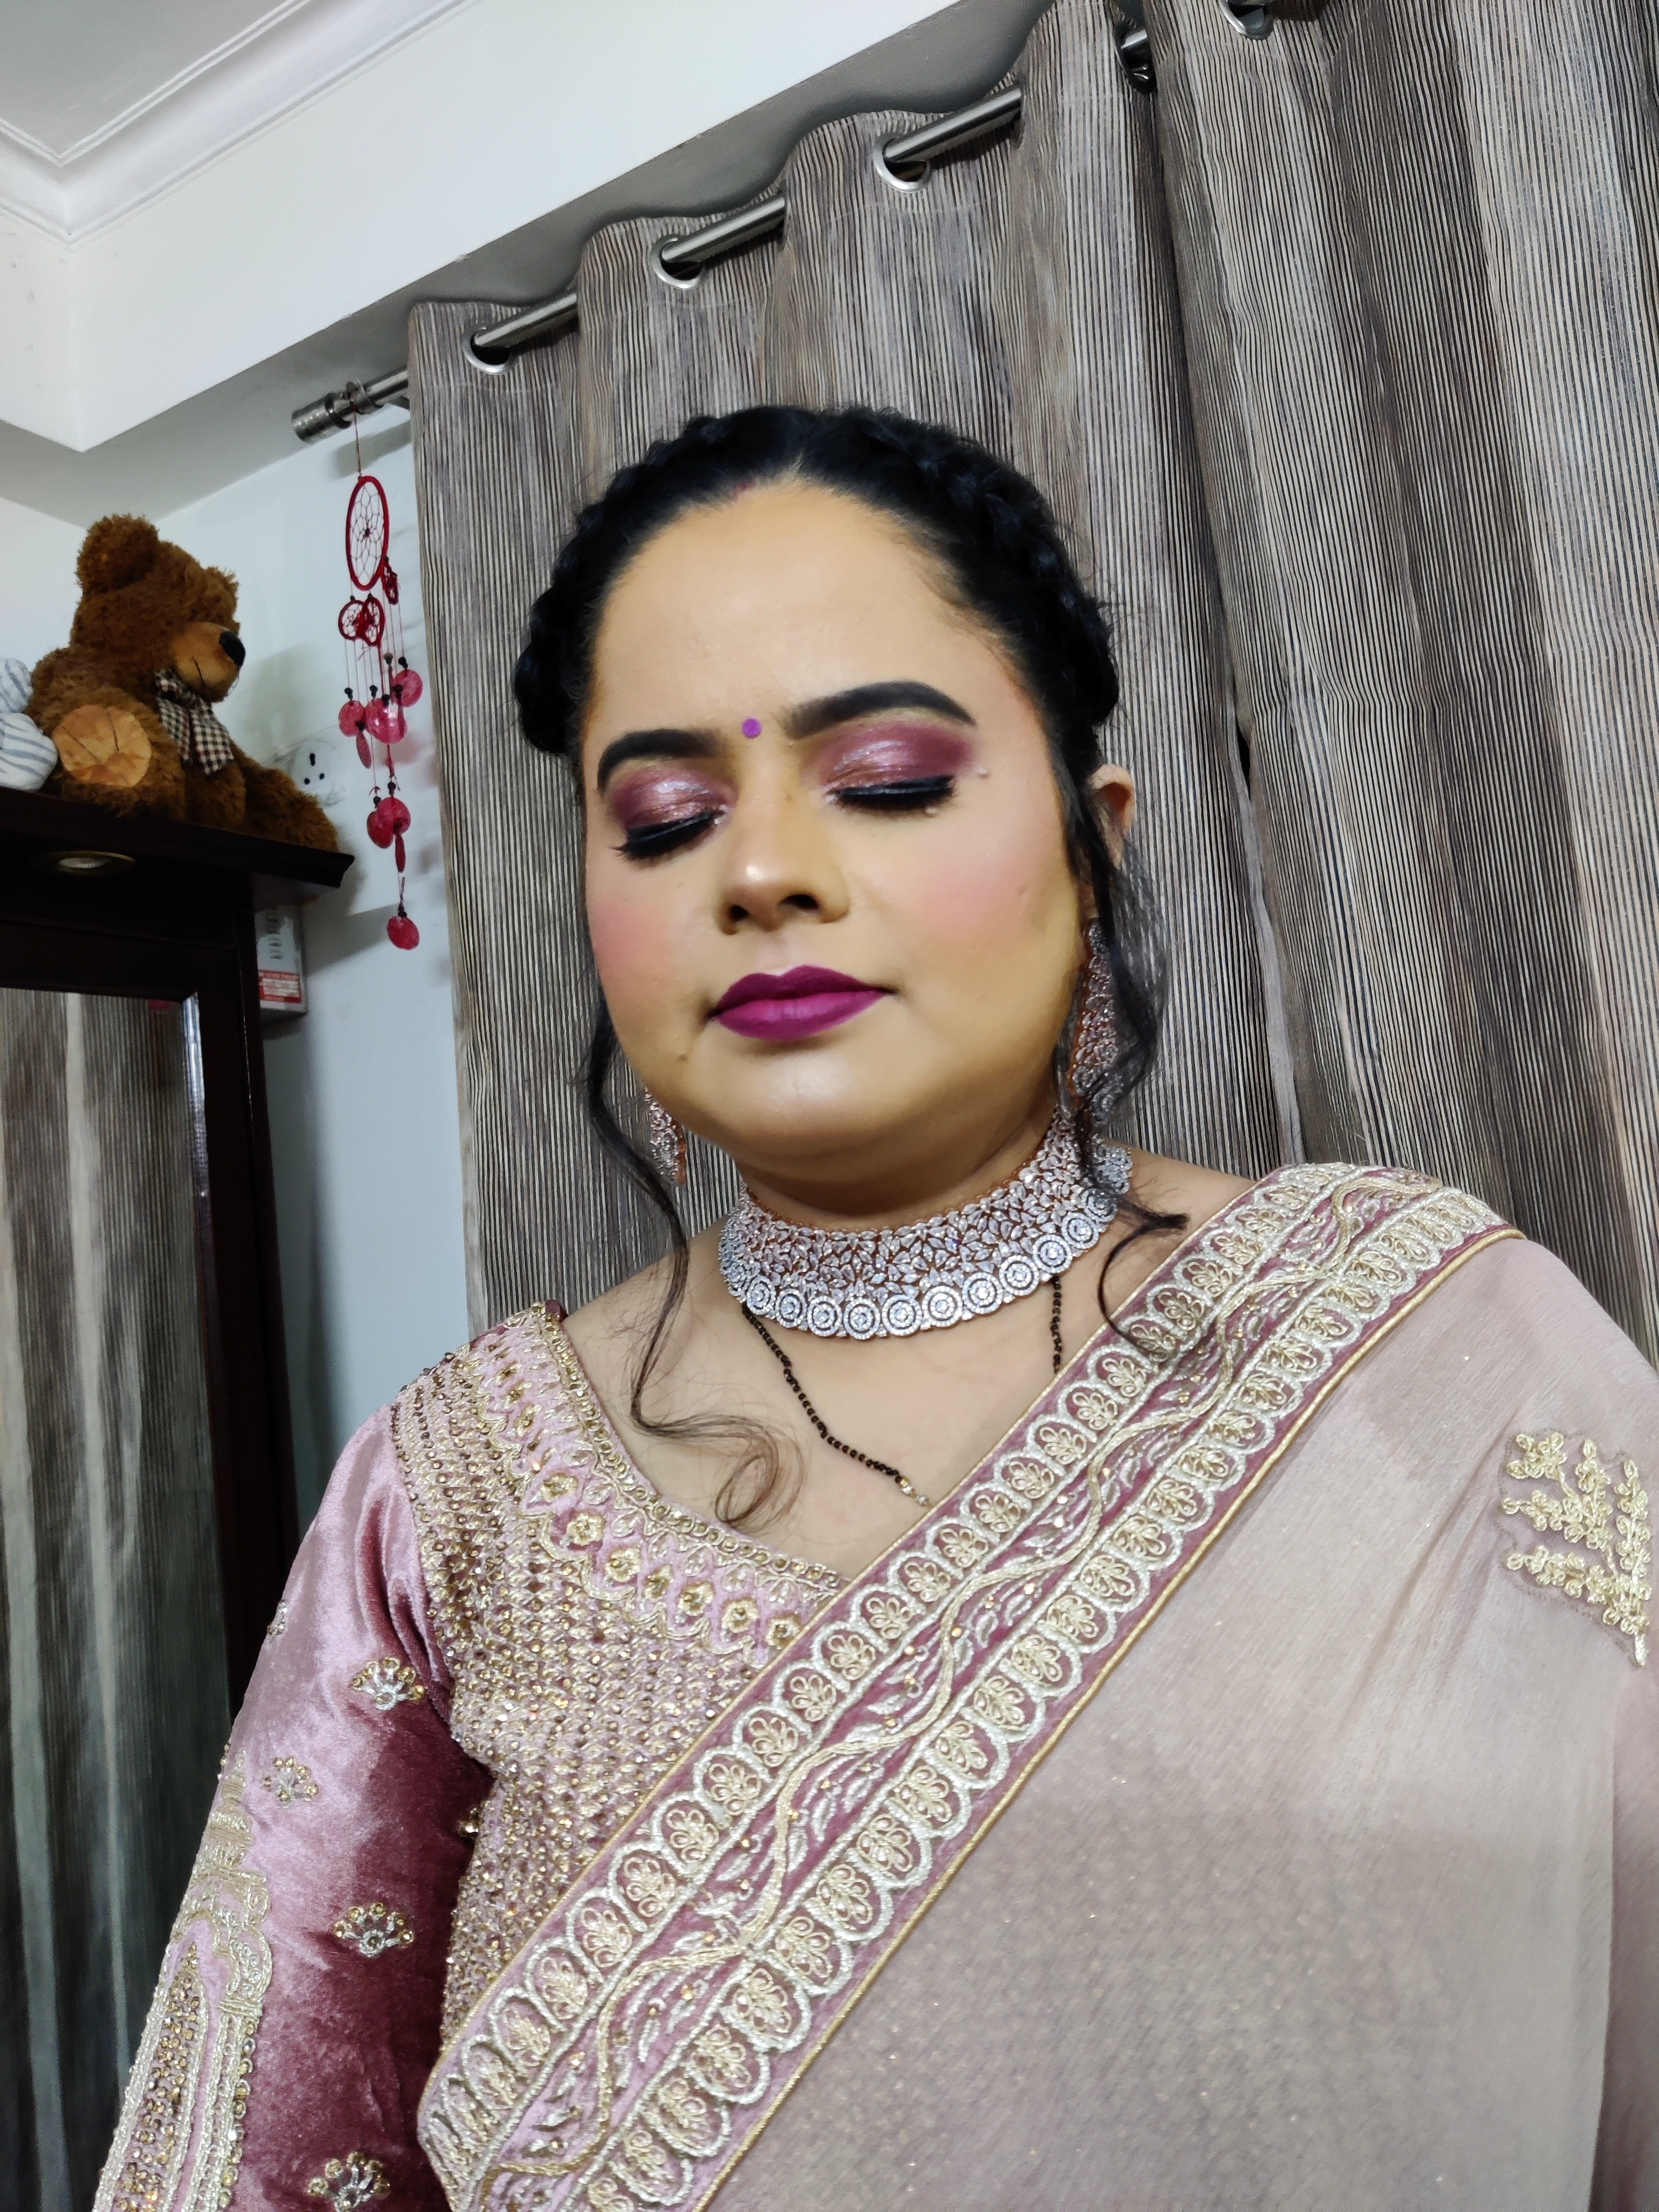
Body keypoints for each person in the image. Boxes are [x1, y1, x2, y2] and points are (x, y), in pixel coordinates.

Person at [98, 409, 1656, 2212]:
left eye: (894, 778)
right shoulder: (456, 1493)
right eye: (666, 817)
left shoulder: (1438, 1350)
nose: (760, 870)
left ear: (1093, 842)